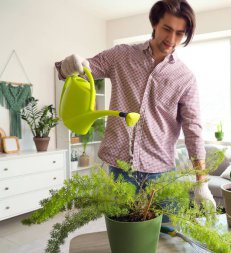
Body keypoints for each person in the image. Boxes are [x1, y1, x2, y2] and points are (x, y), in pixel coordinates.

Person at [55, 0, 216, 208]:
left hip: (161, 172)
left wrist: (201, 182)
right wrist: (68, 66)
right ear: (154, 24)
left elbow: (193, 129)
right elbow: (82, 69)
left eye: (179, 33)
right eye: (167, 29)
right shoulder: (121, 55)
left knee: (166, 235)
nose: (171, 38)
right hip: (120, 168)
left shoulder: (185, 78)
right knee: (122, 237)